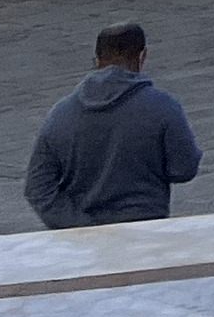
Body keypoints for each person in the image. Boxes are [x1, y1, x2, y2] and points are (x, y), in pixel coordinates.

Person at [25, 22, 202, 230]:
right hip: (147, 231)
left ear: (96, 61)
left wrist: (78, 226)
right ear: (142, 56)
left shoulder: (60, 114)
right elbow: (183, 169)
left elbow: (37, 188)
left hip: (85, 243)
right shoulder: (163, 106)